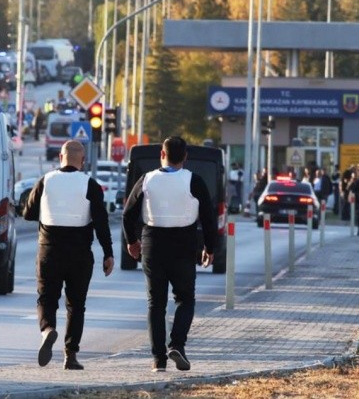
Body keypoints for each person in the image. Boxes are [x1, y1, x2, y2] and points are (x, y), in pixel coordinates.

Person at [122, 136, 217, 373]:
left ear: (162, 155)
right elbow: (208, 217)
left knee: (156, 304)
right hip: (184, 243)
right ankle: (177, 344)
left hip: (152, 242)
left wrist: (132, 242)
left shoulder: (146, 180)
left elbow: (128, 214)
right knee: (185, 299)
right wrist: (210, 247)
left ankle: (158, 360)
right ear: (185, 157)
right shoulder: (194, 181)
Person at [22, 140, 114, 370]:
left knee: (46, 298)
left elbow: (28, 213)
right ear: (82, 161)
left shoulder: (46, 181)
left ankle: (47, 330)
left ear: (60, 158)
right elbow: (101, 222)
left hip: (49, 250)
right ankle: (70, 355)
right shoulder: (90, 185)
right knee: (76, 305)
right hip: (80, 254)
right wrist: (108, 254)